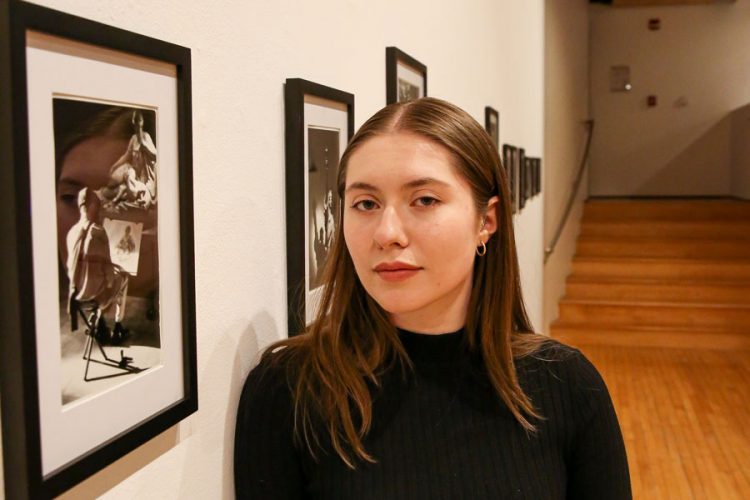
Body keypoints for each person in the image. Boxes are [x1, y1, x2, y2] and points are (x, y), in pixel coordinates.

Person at [234, 98, 631, 499]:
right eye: (366, 204)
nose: (387, 233)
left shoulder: (566, 385)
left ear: (486, 221)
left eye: (424, 200)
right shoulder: (286, 390)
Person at [66, 187, 129, 343]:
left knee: (99, 278)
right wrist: (117, 270)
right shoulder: (98, 232)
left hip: (76, 296)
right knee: (124, 277)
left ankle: (100, 324)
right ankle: (117, 325)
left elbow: (73, 267)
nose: (99, 210)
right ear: (92, 207)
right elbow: (108, 275)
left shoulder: (72, 232)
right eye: (97, 206)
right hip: (93, 296)